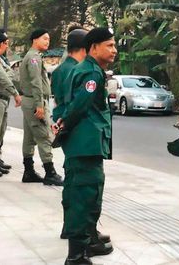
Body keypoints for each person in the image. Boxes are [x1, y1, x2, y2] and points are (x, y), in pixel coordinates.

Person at [52, 27, 117, 264]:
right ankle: (76, 255)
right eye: (109, 45)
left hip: (83, 144)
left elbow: (67, 104)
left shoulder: (83, 69)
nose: (114, 50)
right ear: (94, 47)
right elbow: (80, 104)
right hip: (86, 143)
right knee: (85, 195)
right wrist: (65, 123)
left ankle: (86, 244)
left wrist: (62, 122)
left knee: (82, 192)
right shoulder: (92, 73)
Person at [51, 28, 89, 241]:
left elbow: (57, 101)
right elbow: (76, 105)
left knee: (71, 176)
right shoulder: (79, 70)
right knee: (81, 180)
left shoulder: (59, 70)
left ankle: (68, 225)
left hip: (64, 128)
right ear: (85, 48)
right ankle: (79, 229)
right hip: (77, 129)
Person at [20, 28, 63, 185]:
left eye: (49, 39)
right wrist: (40, 105)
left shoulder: (32, 56)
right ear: (35, 40)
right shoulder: (34, 58)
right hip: (35, 102)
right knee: (44, 135)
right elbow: (36, 82)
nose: (47, 41)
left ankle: (28, 171)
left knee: (29, 137)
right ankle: (50, 172)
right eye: (44, 38)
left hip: (29, 101)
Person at [0, 31, 21, 175]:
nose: (7, 47)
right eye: (6, 43)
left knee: (1, 132)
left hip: (3, 98)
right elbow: (3, 78)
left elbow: (10, 75)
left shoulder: (1, 60)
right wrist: (15, 93)